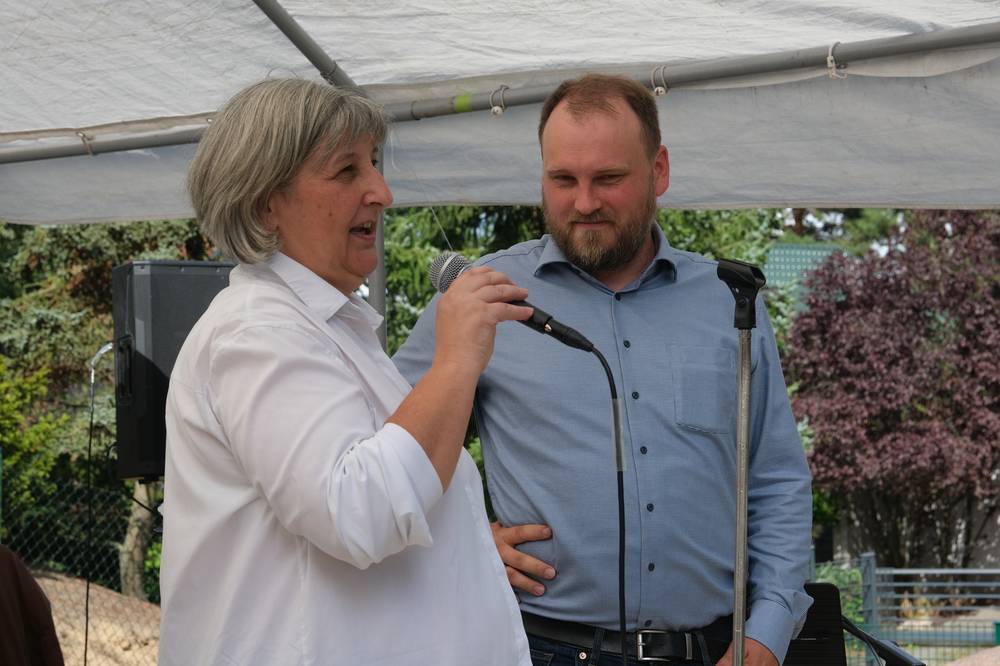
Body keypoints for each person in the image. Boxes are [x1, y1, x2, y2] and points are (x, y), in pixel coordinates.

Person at [392, 73, 813, 666]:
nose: (584, 202)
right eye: (563, 179)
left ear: (659, 171)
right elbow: (376, 459)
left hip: (714, 652)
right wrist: (456, 543)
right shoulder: (482, 298)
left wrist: (765, 637)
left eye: (609, 179)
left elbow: (776, 481)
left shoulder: (729, 300)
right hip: (538, 649)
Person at [158, 77, 533, 666]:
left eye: (376, 164)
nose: (381, 191)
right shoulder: (258, 331)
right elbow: (359, 512)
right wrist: (457, 360)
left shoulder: (322, 323)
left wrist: (467, 547)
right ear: (265, 203)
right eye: (346, 171)